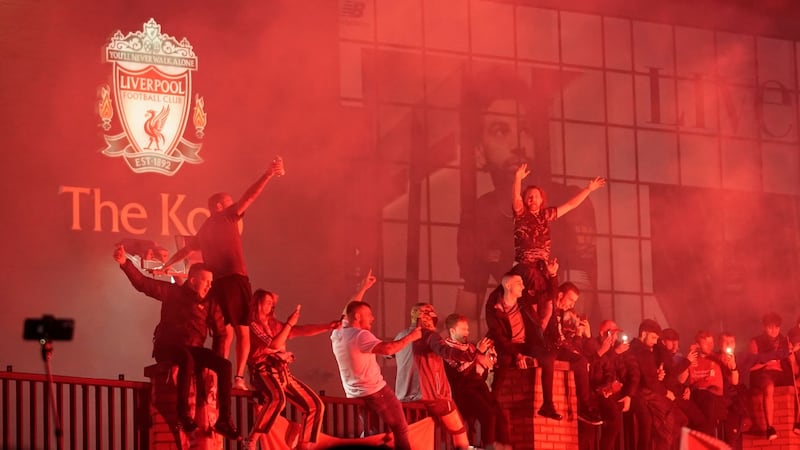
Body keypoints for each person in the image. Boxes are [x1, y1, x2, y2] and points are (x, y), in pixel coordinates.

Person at [456, 69, 604, 334]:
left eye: (525, 130)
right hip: (522, 271)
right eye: (501, 131)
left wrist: (589, 189)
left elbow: (570, 207)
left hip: (545, 273)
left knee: (547, 307)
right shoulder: (483, 214)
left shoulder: (551, 211)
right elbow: (468, 300)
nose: (517, 145)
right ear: (479, 151)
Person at [163, 157, 286, 389]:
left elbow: (185, 250)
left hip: (217, 284)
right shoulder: (226, 217)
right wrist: (268, 174)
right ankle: (238, 378)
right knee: (243, 331)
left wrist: (167, 265)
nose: (235, 206)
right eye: (230, 203)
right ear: (219, 206)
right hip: (234, 279)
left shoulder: (205, 228)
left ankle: (215, 377)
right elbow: (250, 196)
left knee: (224, 332)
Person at [113, 244, 240, 440]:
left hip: (194, 347)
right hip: (168, 346)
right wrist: (124, 263)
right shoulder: (173, 293)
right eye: (206, 281)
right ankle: (183, 414)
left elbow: (221, 333)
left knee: (224, 365)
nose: (209, 285)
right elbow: (143, 284)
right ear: (192, 280)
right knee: (186, 359)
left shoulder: (210, 302)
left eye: (211, 282)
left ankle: (224, 419)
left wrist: (214, 360)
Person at [243, 289, 340, 450]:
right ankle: (251, 439)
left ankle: (305, 445)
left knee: (315, 405)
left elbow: (299, 330)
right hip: (264, 373)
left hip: (283, 374)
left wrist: (327, 326)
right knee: (277, 399)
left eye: (272, 303)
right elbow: (273, 344)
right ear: (257, 303)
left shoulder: (275, 324)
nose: (271, 306)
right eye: (267, 302)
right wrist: (289, 324)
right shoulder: (252, 325)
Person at [394, 304, 492, 450]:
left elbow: (389, 353)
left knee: (417, 437)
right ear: (427, 318)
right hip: (432, 397)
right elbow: (447, 352)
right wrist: (474, 353)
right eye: (433, 317)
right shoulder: (430, 336)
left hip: (403, 398)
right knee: (458, 430)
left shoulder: (401, 336)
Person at [331, 297, 421, 450]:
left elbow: (348, 311)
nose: (372, 318)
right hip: (376, 391)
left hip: (354, 394)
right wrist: (411, 337)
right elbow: (388, 349)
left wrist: (364, 288)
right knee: (400, 428)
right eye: (369, 314)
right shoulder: (360, 335)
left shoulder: (337, 333)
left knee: (371, 433)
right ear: (358, 317)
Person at [509, 163, 605, 306]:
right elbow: (516, 197)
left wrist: (588, 189)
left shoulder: (546, 215)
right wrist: (517, 179)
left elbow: (571, 205)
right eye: (529, 197)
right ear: (525, 200)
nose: (532, 199)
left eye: (536, 196)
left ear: (541, 200)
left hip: (541, 269)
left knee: (545, 304)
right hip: (523, 267)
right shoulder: (521, 214)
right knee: (524, 304)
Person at [484, 265, 556, 418]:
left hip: (527, 344)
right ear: (508, 286)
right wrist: (516, 355)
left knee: (547, 358)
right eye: (519, 283)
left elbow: (549, 296)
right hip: (507, 345)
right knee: (504, 361)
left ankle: (548, 404)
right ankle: (492, 402)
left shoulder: (523, 299)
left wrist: (553, 275)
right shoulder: (494, 306)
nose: (523, 286)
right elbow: (499, 335)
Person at [442, 313, 511, 450]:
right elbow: (462, 370)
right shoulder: (446, 349)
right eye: (463, 329)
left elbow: (479, 368)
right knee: (488, 414)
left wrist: (488, 359)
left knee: (500, 415)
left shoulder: (470, 347)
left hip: (478, 386)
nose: (466, 333)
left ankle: (505, 446)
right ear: (452, 331)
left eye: (467, 329)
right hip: (464, 390)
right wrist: (478, 353)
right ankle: (489, 446)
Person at [627, 319, 687, 450]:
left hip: (640, 394)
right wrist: (666, 392)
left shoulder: (634, 348)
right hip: (645, 395)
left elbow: (645, 375)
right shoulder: (643, 352)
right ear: (643, 334)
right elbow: (650, 381)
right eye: (654, 337)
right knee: (676, 420)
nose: (655, 342)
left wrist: (656, 374)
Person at [587, 320, 634, 450]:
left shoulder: (616, 348)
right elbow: (591, 368)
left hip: (610, 391)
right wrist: (613, 353)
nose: (614, 337)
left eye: (616, 334)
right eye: (611, 333)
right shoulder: (592, 344)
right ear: (602, 333)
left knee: (615, 425)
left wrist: (622, 390)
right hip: (596, 393)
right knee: (613, 422)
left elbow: (620, 370)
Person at [748, 312, 793, 440]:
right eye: (770, 327)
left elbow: (792, 366)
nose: (774, 331)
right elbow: (751, 366)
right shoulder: (756, 341)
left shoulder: (785, 340)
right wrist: (768, 360)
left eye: (777, 327)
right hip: (764, 373)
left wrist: (792, 356)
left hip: (781, 373)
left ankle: (798, 422)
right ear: (764, 327)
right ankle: (770, 427)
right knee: (768, 388)